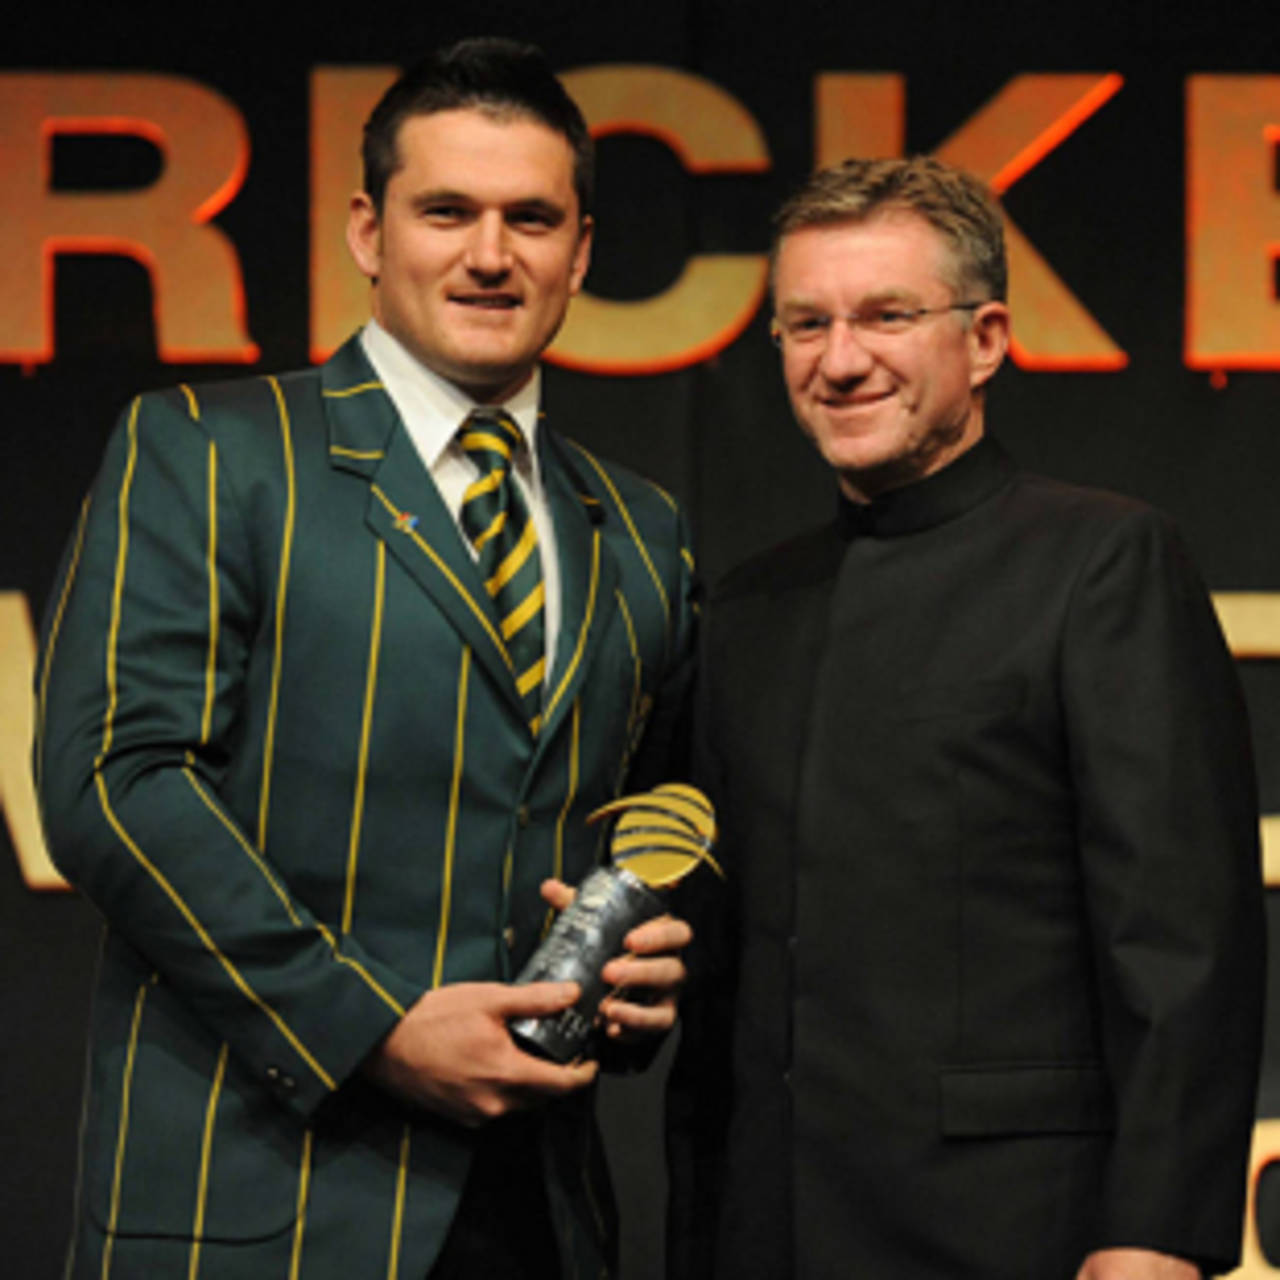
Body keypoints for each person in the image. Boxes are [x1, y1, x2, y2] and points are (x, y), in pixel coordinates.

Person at [35, 37, 696, 1280]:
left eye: (531, 218)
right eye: (445, 210)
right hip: (261, 1209)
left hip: (540, 1223)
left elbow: (635, 836)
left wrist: (642, 970)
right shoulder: (207, 452)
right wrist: (370, 1029)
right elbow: (112, 782)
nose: (490, 254)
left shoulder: (642, 528)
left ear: (584, 251)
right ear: (365, 230)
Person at [667, 156, 1264, 1280]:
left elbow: (1179, 938)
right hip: (767, 1231)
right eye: (805, 324)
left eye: (885, 315)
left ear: (984, 338)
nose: (839, 361)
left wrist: (1153, 1237)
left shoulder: (1098, 560)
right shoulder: (748, 606)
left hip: (1014, 1229)